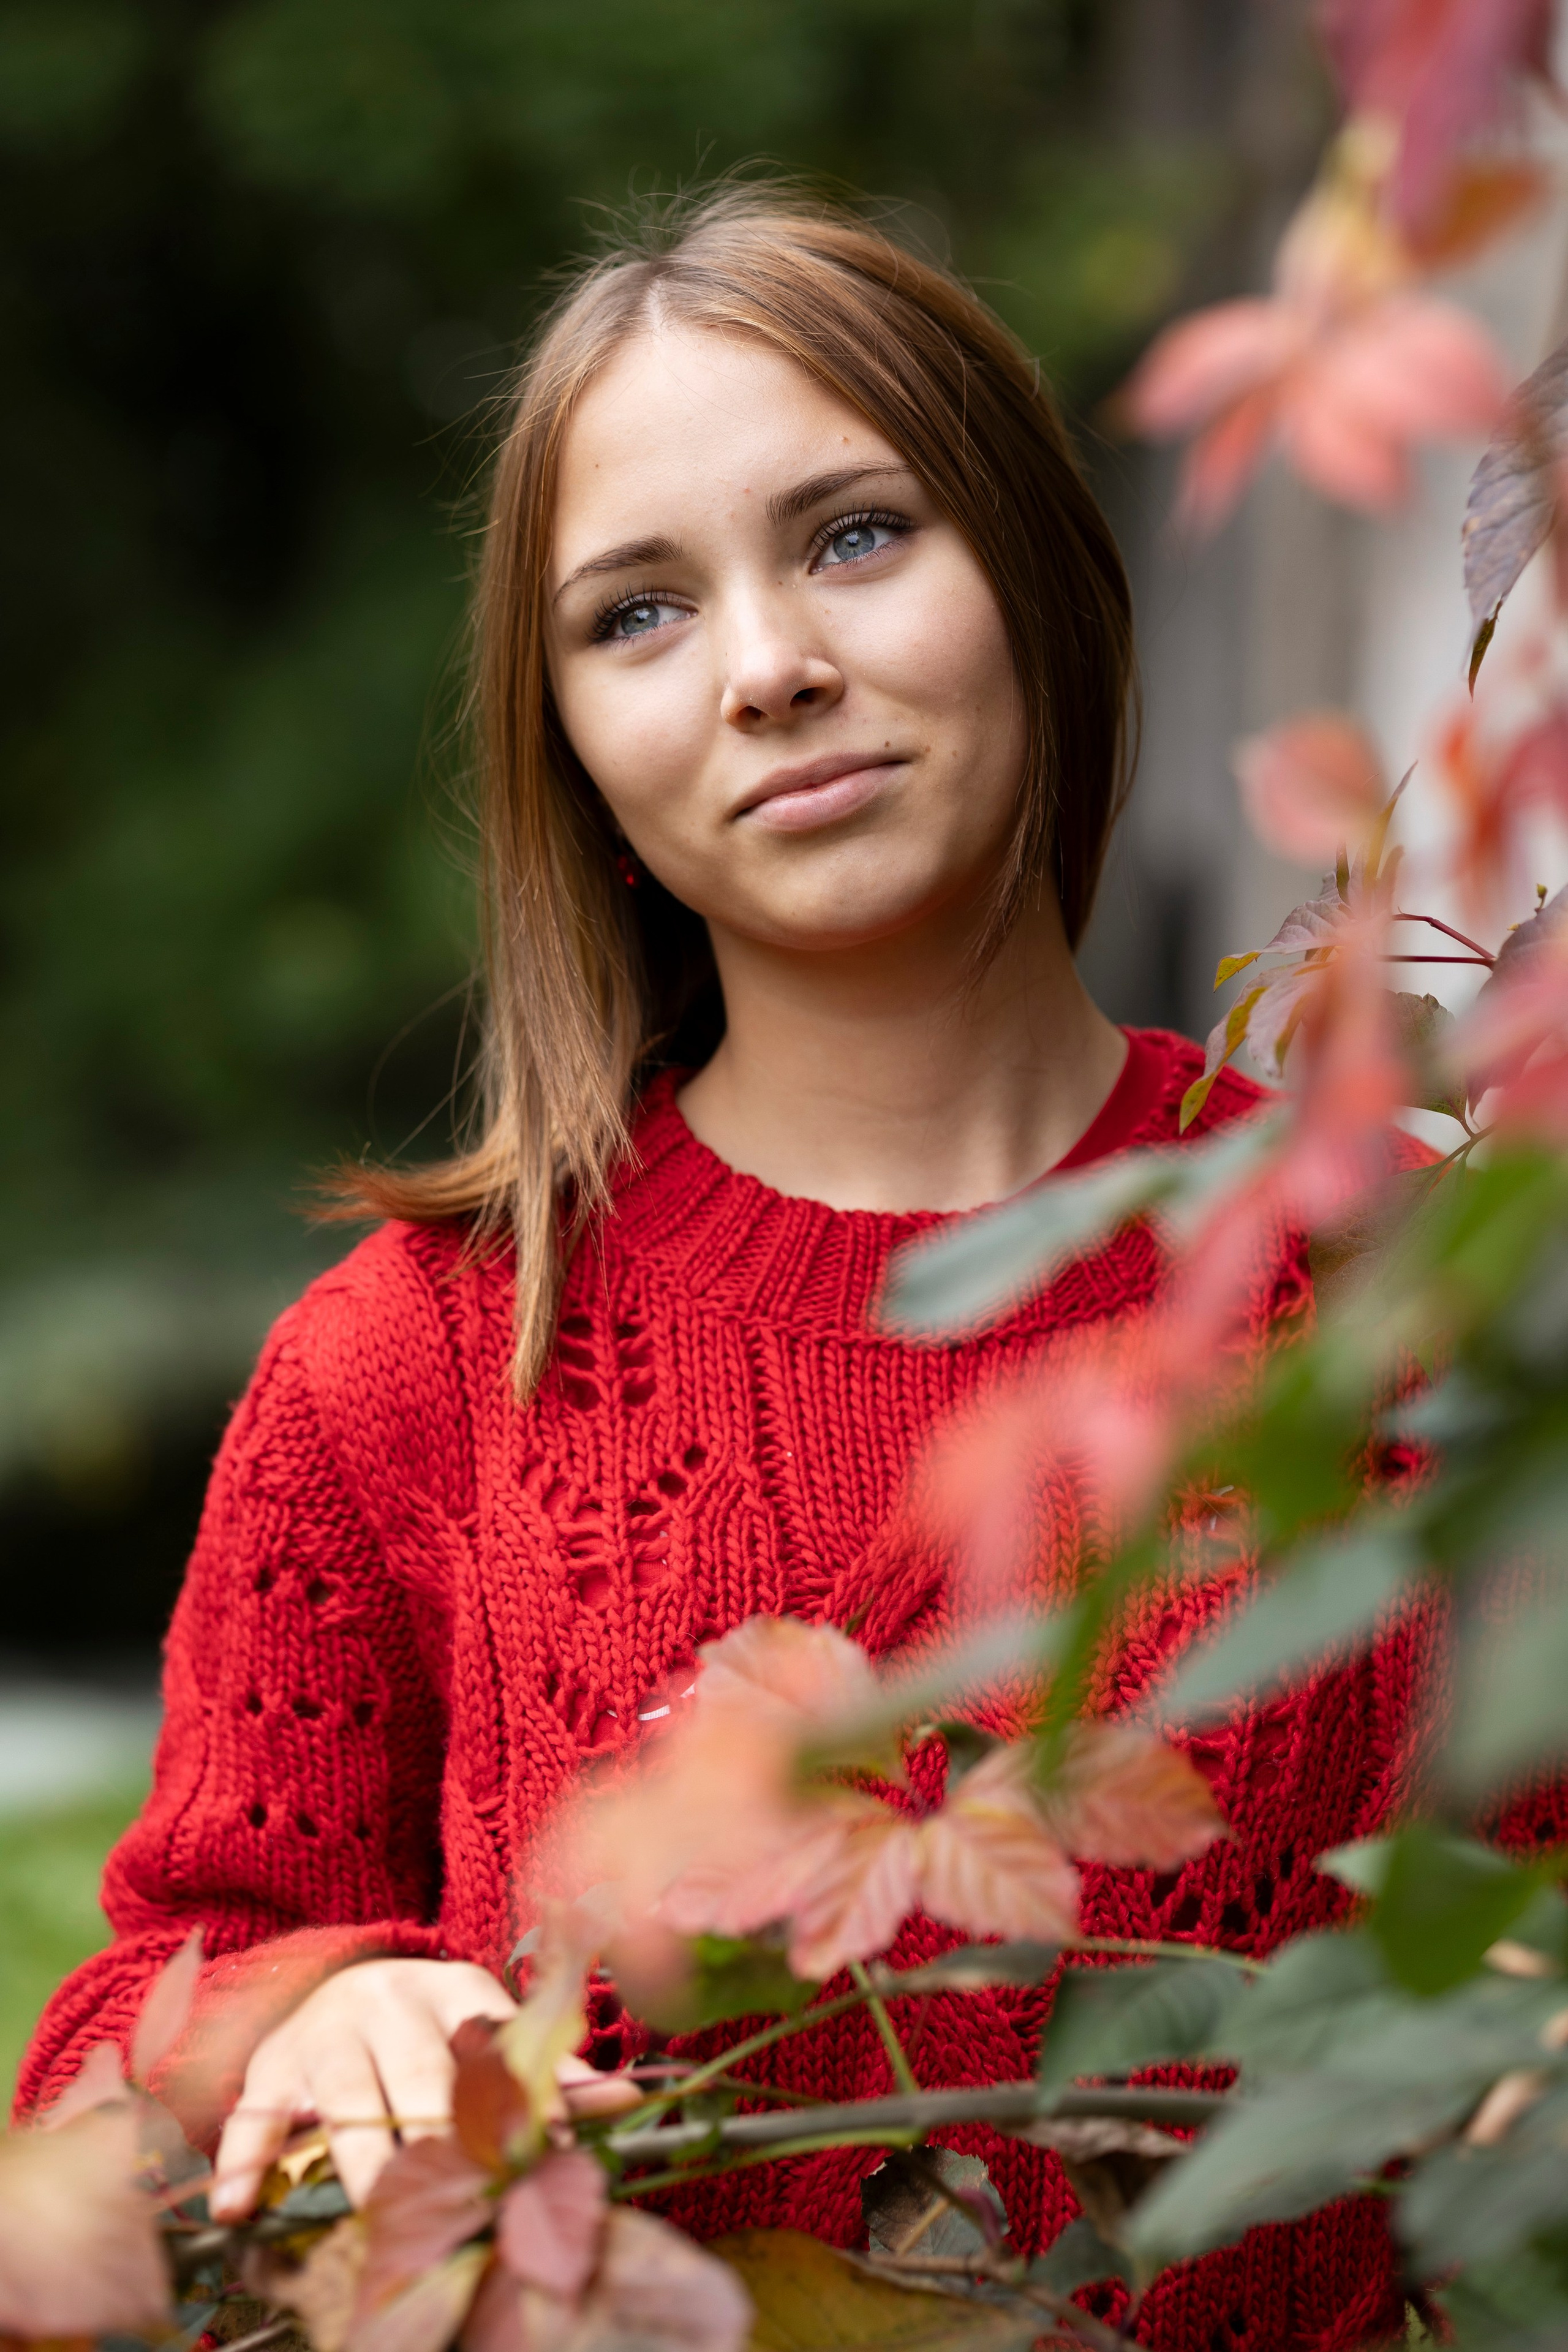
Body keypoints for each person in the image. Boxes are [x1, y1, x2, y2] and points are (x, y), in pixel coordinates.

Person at [20, 190, 1428, 2348]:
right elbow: (122, 2043)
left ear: (1041, 577)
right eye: (638, 614)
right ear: (570, 752)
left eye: (856, 535)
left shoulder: (1395, 1291)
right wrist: (327, 2004)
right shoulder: (417, 1372)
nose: (771, 667)